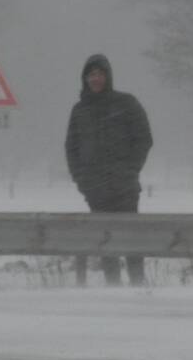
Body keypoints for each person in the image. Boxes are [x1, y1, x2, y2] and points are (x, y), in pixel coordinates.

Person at [65, 53, 153, 285]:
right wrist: (81, 179)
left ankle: (138, 286)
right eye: (91, 75)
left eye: (100, 74)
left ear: (108, 76)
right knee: (105, 241)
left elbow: (144, 139)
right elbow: (71, 147)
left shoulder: (126, 104)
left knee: (131, 239)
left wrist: (130, 170)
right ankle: (112, 286)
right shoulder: (80, 110)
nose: (95, 79)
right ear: (85, 78)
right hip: (95, 189)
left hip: (125, 188)